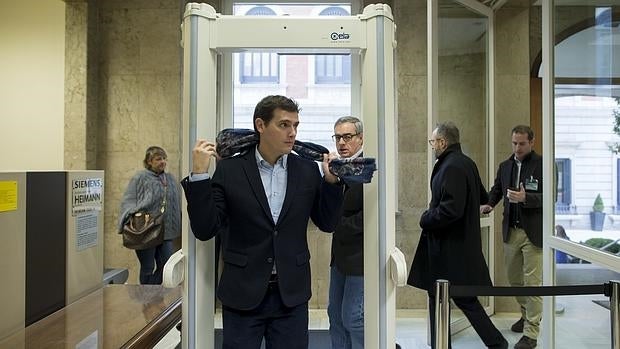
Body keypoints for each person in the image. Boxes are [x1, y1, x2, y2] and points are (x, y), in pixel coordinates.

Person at [181, 95, 344, 349]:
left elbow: (327, 223)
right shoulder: (231, 170)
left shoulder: (307, 170)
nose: (292, 133)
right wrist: (200, 175)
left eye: (295, 125)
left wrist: (332, 183)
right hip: (243, 294)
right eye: (284, 125)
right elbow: (205, 229)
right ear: (260, 125)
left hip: (291, 295)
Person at [408, 122, 508, 349]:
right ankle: (495, 343)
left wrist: (426, 218)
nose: (432, 146)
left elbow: (450, 210)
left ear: (443, 142)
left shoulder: (450, 166)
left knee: (443, 298)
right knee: (462, 299)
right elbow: (482, 196)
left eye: (433, 142)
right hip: (458, 247)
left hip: (448, 249)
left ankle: (486, 344)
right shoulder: (466, 163)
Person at [480, 125, 542, 349]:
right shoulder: (505, 166)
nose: (517, 148)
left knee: (532, 284)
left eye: (522, 143)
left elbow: (550, 198)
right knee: (515, 280)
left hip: (533, 233)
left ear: (531, 142)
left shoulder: (542, 164)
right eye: (514, 143)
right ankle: (526, 314)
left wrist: (527, 198)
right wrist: (488, 204)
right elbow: (497, 190)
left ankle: (531, 333)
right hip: (511, 231)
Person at [119, 146, 182, 285]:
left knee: (166, 266)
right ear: (149, 161)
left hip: (166, 232)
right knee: (147, 267)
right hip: (146, 230)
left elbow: (176, 203)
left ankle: (156, 295)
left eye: (164, 158)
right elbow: (128, 200)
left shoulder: (170, 179)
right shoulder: (140, 178)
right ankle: (146, 298)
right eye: (158, 159)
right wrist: (127, 221)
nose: (163, 162)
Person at [327, 116, 365, 349]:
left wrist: (337, 225)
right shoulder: (340, 167)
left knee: (353, 317)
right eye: (338, 137)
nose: (342, 142)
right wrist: (331, 181)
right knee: (335, 316)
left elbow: (369, 216)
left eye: (347, 137)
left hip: (360, 258)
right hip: (339, 257)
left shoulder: (367, 168)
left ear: (361, 138)